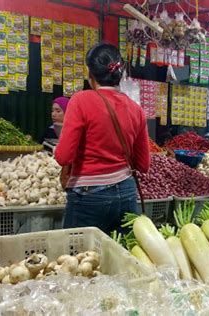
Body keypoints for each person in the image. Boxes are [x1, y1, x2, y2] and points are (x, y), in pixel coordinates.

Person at [54, 43, 150, 234]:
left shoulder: (81, 100)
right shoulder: (136, 109)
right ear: (119, 74)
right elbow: (144, 164)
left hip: (89, 197)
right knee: (121, 256)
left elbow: (63, 157)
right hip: (127, 194)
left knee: (81, 258)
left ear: (90, 74)